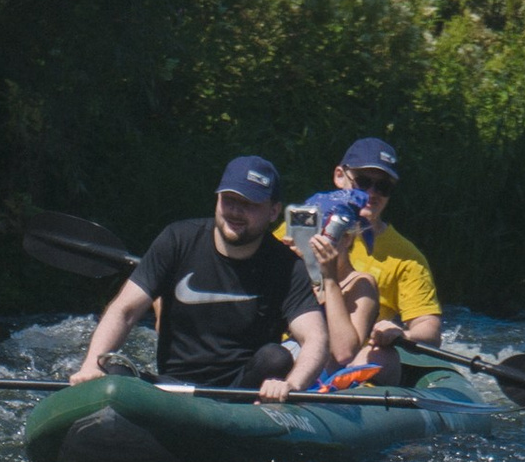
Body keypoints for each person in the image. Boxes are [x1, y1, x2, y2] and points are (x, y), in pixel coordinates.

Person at [69, 157, 333, 402]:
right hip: (173, 387)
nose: (236, 211)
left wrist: (292, 385)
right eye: (229, 200)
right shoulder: (177, 240)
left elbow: (315, 338)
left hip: (243, 392)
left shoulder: (288, 266)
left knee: (276, 358)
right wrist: (91, 365)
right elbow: (124, 311)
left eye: (249, 204)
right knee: (113, 370)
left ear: (274, 211)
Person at [301, 135, 443, 384]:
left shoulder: (408, 257)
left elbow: (428, 327)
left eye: (383, 187)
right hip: (297, 345)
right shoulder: (301, 227)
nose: (371, 193)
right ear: (339, 176)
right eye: (363, 182)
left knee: (381, 357)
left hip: (358, 356)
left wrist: (403, 334)